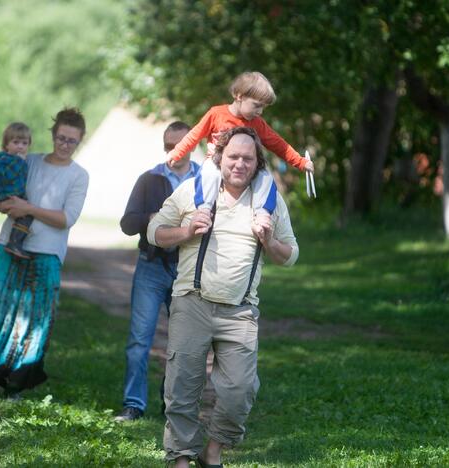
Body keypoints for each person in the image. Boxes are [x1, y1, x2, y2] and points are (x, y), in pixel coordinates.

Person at [148, 127, 299, 467]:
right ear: (220, 157)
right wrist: (187, 231)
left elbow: (290, 255)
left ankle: (211, 451)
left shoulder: (268, 202)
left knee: (240, 390)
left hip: (241, 310)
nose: (240, 164)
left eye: (248, 158)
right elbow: (154, 231)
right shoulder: (193, 191)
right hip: (192, 301)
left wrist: (269, 240)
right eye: (233, 157)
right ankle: (181, 458)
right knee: (182, 387)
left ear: (258, 163)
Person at [0, 108, 89, 400]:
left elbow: (67, 218)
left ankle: (15, 382)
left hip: (46, 254)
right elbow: (1, 196)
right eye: (61, 138)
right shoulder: (27, 160)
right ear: (53, 134)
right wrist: (4, 204)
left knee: (33, 321)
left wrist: (29, 209)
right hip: (9, 245)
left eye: (72, 141)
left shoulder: (79, 176)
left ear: (79, 142)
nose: (64, 144)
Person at [115, 121, 200, 422]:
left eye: (179, 145)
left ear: (192, 145)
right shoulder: (149, 179)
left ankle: (172, 405)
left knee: (182, 343)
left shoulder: (206, 180)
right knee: (140, 339)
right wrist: (153, 218)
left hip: (189, 270)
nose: (172, 151)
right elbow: (127, 223)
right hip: (151, 266)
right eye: (167, 145)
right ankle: (133, 405)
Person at [166, 71, 313, 231]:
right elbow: (194, 135)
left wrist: (301, 162)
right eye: (257, 106)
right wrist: (177, 152)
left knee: (265, 177)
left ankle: (261, 215)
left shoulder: (257, 123)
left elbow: (279, 144)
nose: (260, 112)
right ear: (239, 96)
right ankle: (204, 210)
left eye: (263, 108)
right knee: (208, 172)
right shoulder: (216, 114)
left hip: (246, 168)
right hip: (217, 163)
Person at [0, 122, 33, 259]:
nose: (20, 146)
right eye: (16, 142)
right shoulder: (7, 160)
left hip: (10, 193)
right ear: (6, 144)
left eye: (24, 143)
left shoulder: (10, 159)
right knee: (27, 214)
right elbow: (7, 177)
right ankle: (15, 243)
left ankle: (16, 242)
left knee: (26, 212)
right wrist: (20, 162)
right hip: (9, 195)